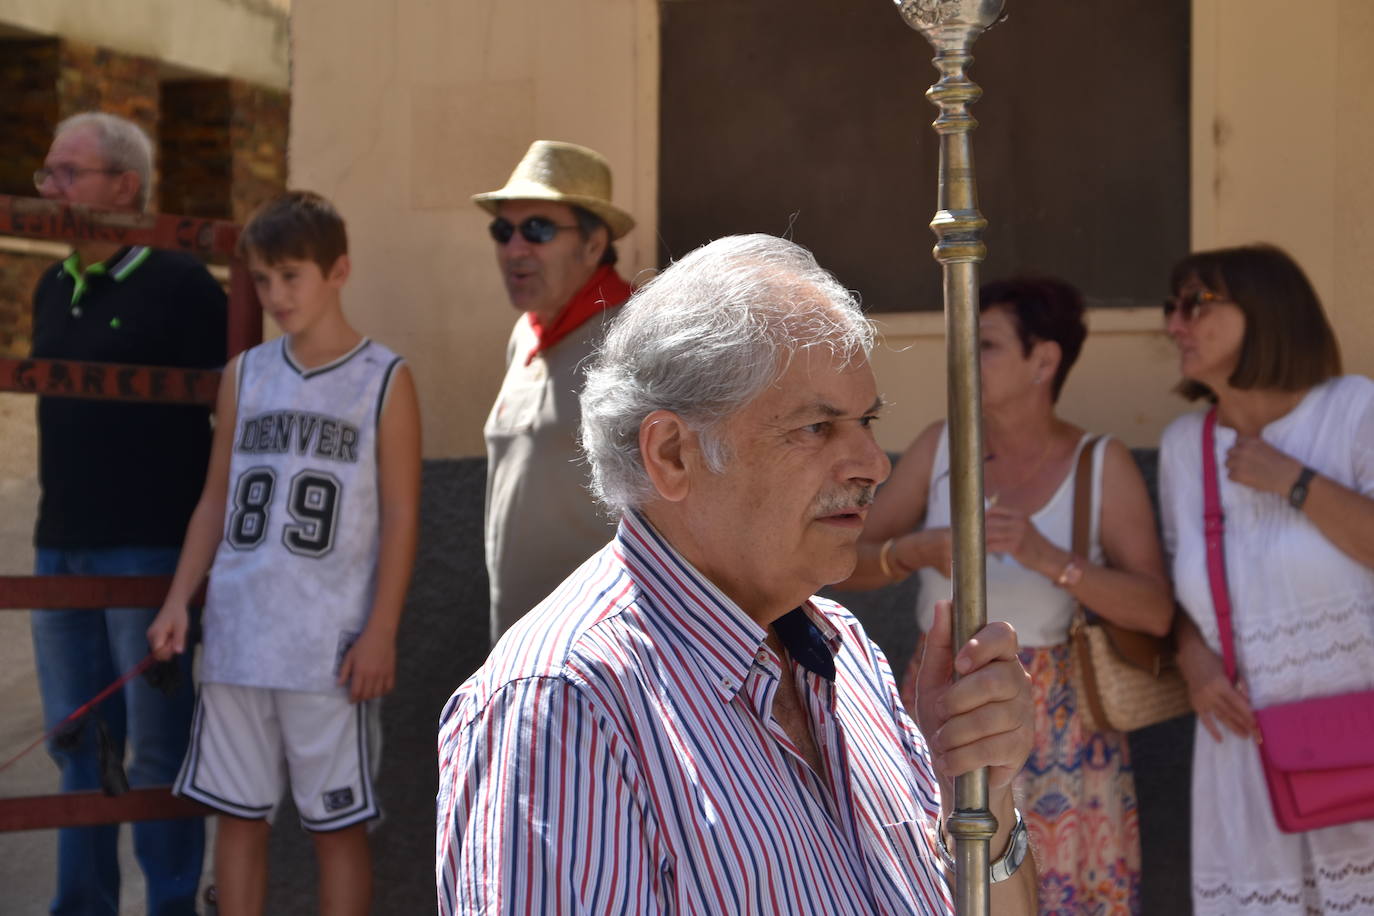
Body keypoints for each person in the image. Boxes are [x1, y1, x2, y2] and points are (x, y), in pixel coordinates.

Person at [437, 235, 1038, 915]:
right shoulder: (563, 706)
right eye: (816, 427)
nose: (874, 462)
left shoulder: (847, 655)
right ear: (671, 454)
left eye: (866, 421)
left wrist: (980, 799)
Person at [836, 277, 1173, 914]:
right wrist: (914, 550)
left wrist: (1051, 560)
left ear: (1043, 361)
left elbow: (1156, 612)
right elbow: (837, 562)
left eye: (985, 344)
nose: (964, 359)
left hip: (1067, 729)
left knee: (1068, 891)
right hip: (948, 708)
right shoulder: (940, 448)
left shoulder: (1099, 463)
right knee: (941, 890)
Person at [147, 191, 422, 916]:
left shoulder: (384, 379)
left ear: (339, 271)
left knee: (337, 827)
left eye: (291, 276)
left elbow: (400, 514)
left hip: (328, 648)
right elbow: (215, 498)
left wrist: (381, 630)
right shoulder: (245, 373)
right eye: (263, 280)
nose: (275, 295)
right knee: (237, 819)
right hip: (239, 636)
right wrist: (180, 598)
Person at [28, 111, 225, 915]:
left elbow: (226, 426)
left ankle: (170, 906)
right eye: (47, 174)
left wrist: (198, 570)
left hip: (148, 552)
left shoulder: (181, 285)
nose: (51, 189)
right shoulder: (51, 282)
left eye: (67, 173)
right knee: (76, 743)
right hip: (58, 549)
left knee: (155, 753)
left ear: (124, 187)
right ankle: (83, 907)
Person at [1157, 244, 1374, 915]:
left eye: (1197, 303)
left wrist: (1294, 481)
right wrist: (1193, 662)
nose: (1175, 325)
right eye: (1172, 307)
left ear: (1269, 310)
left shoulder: (1354, 410)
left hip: (1360, 744)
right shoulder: (1184, 448)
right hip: (1247, 751)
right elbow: (1182, 593)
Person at [473, 139, 637, 643]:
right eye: (504, 230)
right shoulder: (525, 332)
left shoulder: (635, 336)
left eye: (538, 230)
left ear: (593, 244)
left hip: (605, 651)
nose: (514, 249)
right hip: (519, 641)